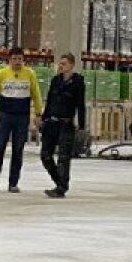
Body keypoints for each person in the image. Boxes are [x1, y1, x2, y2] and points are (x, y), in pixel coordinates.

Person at [0, 48, 43, 193]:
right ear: (9, 60)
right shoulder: (2, 74)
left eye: (20, 59)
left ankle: (13, 183)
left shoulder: (29, 74)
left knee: (18, 150)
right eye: (14, 59)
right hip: (5, 115)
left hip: (22, 117)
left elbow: (36, 94)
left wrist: (38, 113)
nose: (17, 62)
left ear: (23, 60)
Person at [39, 53, 85, 198]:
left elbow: (80, 105)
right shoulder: (55, 81)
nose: (61, 66)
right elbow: (49, 101)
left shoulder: (78, 83)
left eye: (64, 63)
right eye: (60, 63)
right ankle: (59, 181)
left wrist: (81, 125)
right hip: (51, 123)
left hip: (66, 123)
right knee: (45, 155)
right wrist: (44, 119)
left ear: (71, 65)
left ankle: (61, 187)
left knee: (64, 157)